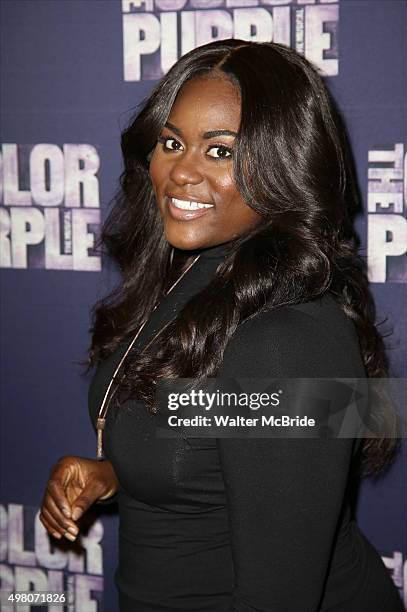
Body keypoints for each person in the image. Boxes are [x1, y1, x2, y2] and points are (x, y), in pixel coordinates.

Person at [40, 39, 404, 611]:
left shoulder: (293, 338)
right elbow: (217, 438)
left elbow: (277, 598)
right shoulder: (195, 275)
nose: (181, 173)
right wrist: (117, 472)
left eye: (220, 152)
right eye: (172, 142)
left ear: (286, 164)